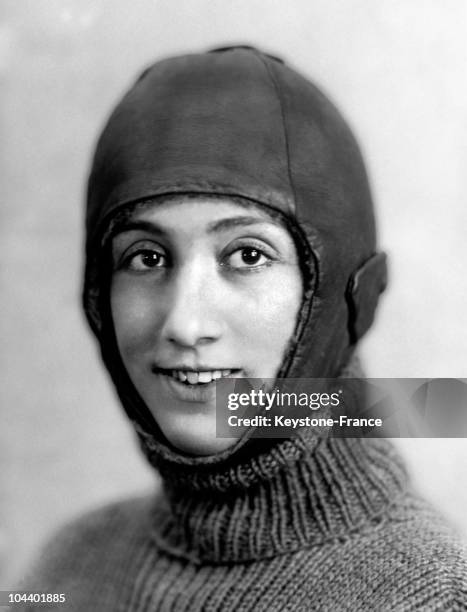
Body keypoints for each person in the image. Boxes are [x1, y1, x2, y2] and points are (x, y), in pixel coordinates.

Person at [19, 45, 466, 611]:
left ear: (340, 294)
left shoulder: (428, 597)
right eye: (147, 258)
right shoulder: (68, 566)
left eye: (248, 255)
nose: (185, 323)